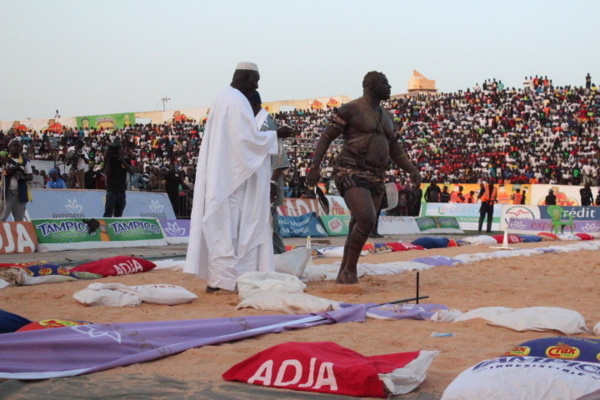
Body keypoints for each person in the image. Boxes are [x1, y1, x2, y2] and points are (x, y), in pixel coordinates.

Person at [183, 62, 295, 292]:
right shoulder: (236, 100)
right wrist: (277, 134)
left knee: (226, 230)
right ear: (244, 77)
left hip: (226, 175)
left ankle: (222, 280)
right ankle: (226, 281)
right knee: (231, 230)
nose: (256, 85)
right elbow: (247, 141)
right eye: (255, 80)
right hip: (232, 181)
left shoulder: (223, 97)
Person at [307, 71, 420, 284]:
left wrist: (411, 169)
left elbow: (395, 148)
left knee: (359, 224)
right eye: (385, 83)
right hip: (350, 171)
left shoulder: (388, 116)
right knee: (366, 219)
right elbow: (326, 137)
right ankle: (349, 269)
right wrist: (315, 167)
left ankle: (346, 273)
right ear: (371, 86)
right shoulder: (351, 109)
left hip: (376, 176)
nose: (389, 87)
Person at [248, 91, 291, 254]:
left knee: (270, 225)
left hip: (267, 183)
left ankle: (280, 257)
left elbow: (280, 158)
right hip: (261, 182)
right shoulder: (258, 123)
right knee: (265, 225)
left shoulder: (267, 124)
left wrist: (272, 183)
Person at [0, 139, 33, 221]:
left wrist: (22, 177)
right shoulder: (4, 160)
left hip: (21, 193)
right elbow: (1, 174)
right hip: (6, 193)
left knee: (19, 219)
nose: (16, 147)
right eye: (14, 145)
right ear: (9, 148)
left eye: (18, 146)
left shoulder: (25, 161)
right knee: (2, 217)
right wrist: (7, 172)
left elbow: (30, 176)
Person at [102, 139, 134, 217]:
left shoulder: (125, 159)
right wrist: (108, 159)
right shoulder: (109, 159)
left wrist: (121, 159)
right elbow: (107, 173)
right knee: (108, 212)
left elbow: (132, 171)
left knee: (119, 213)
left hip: (121, 190)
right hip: (111, 189)